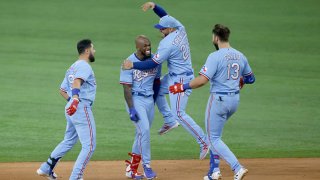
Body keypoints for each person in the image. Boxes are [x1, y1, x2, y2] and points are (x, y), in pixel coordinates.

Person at [122, 2, 209, 160]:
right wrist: (154, 6)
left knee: (179, 113)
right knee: (158, 90)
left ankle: (204, 141)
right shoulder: (181, 29)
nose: (160, 31)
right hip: (174, 75)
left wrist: (132, 65)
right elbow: (164, 16)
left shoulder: (166, 44)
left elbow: (152, 64)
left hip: (181, 79)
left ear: (170, 29)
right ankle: (169, 120)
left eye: (162, 29)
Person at [169, 24, 255, 180]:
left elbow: (202, 80)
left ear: (216, 38)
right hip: (234, 101)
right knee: (215, 135)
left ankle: (237, 168)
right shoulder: (240, 55)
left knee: (212, 139)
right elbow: (251, 78)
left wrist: (182, 86)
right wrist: (240, 81)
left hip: (219, 101)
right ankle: (213, 171)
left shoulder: (214, 57)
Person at [37, 39, 97, 180]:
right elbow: (77, 82)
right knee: (89, 146)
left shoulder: (71, 67)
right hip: (80, 107)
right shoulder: (84, 66)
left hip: (72, 108)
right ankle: (75, 177)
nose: (94, 51)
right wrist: (76, 100)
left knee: (69, 140)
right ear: (87, 51)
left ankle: (46, 167)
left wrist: (71, 102)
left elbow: (62, 90)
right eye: (93, 48)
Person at [120, 35, 159, 179]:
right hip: (135, 99)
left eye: (149, 45)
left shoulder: (155, 60)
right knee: (145, 130)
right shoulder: (128, 62)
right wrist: (131, 108)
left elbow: (157, 82)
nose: (148, 48)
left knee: (140, 134)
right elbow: (126, 88)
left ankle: (131, 170)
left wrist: (153, 101)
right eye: (145, 46)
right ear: (138, 47)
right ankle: (147, 166)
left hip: (149, 101)